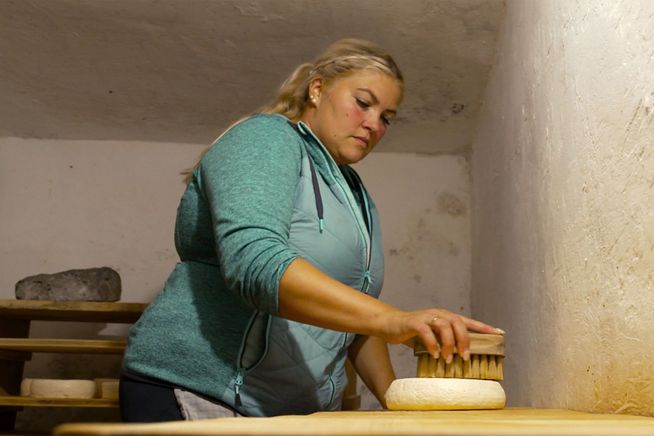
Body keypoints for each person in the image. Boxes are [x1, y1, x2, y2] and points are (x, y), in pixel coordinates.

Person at [119, 38, 503, 422]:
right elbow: (256, 265)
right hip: (200, 391)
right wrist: (394, 320)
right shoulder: (265, 137)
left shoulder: (356, 196)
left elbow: (356, 320)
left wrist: (399, 404)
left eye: (387, 117)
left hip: (293, 413)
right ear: (317, 89)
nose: (373, 124)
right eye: (363, 103)